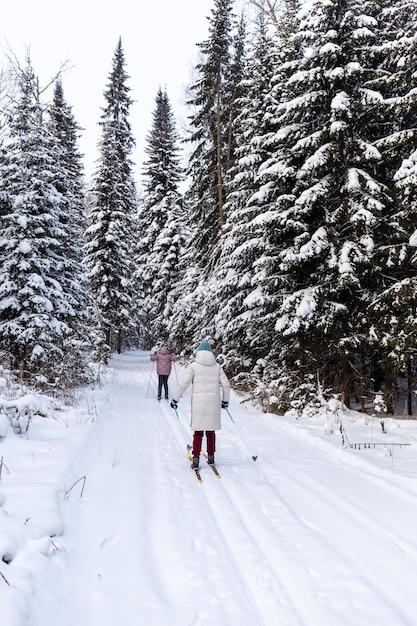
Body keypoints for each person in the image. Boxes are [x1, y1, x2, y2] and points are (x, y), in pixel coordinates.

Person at [170, 341, 230, 469]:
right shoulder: (217, 367)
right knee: (210, 431)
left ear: (198, 352)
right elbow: (226, 384)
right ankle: (211, 458)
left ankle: (196, 460)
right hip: (213, 403)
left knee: (198, 432)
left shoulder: (193, 366)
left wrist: (175, 399)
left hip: (199, 404)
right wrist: (225, 401)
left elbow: (184, 384)